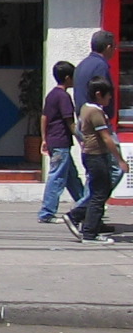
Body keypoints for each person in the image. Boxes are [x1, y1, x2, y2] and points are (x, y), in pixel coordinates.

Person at [65, 77, 127, 243]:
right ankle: (88, 231)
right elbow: (106, 138)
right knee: (99, 194)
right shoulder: (95, 112)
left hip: (91, 155)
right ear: (99, 94)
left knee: (99, 192)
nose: (110, 98)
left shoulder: (85, 108)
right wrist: (120, 160)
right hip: (96, 156)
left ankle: (78, 217)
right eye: (108, 95)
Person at [38, 60, 84, 225]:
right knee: (57, 177)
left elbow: (44, 118)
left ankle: (85, 205)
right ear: (67, 78)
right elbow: (70, 122)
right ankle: (47, 213)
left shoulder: (51, 95)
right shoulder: (64, 97)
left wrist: (44, 139)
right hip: (61, 142)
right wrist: (82, 139)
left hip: (53, 140)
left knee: (72, 177)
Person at [74, 29, 115, 111]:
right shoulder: (100, 66)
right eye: (114, 47)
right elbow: (102, 94)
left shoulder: (81, 64)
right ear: (108, 47)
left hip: (83, 114)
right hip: (96, 115)